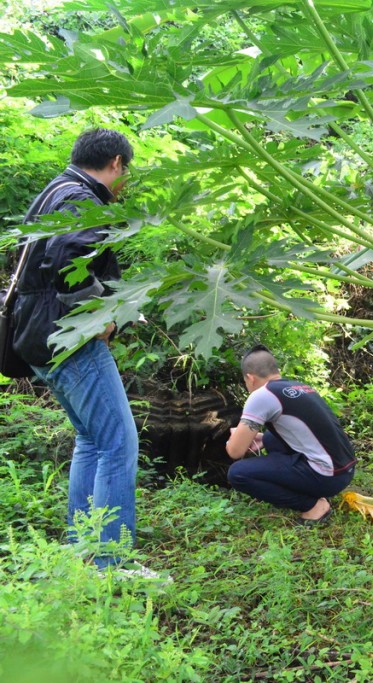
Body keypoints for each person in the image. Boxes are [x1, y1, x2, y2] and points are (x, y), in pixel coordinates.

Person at [11, 128, 148, 572]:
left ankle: (83, 552)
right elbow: (65, 258)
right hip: (68, 337)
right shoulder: (83, 199)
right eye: (126, 170)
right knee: (118, 443)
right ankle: (112, 564)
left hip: (35, 335)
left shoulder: (53, 191)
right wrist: (98, 317)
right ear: (115, 163)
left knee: (92, 440)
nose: (124, 179)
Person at [226, 345, 357, 524]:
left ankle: (312, 506)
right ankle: (312, 488)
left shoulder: (261, 396)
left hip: (327, 477)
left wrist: (235, 440)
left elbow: (235, 452)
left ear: (250, 378)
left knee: (238, 473)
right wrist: (263, 439)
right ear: (276, 370)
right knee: (271, 439)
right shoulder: (298, 386)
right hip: (343, 470)